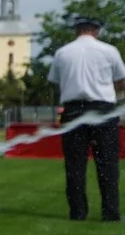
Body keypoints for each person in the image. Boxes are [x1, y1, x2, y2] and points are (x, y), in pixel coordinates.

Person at [48, 15, 125, 221]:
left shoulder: (62, 52)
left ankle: (78, 212)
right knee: (107, 163)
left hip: (73, 110)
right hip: (103, 110)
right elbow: (121, 80)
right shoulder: (109, 51)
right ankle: (110, 212)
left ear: (76, 30)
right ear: (97, 30)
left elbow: (55, 80)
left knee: (75, 164)